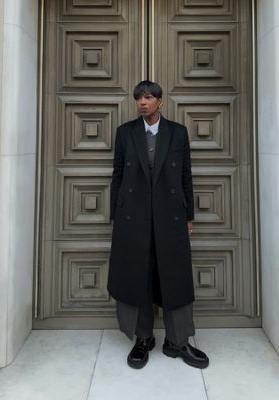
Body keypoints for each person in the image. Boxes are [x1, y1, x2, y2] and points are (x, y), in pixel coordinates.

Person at [108, 80, 209, 369]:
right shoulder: (125, 133)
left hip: (171, 217)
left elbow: (187, 176)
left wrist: (189, 216)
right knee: (138, 276)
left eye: (148, 97)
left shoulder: (178, 133)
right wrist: (116, 216)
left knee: (175, 277)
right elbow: (117, 176)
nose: (142, 102)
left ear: (160, 102)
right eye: (139, 97)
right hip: (133, 219)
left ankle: (178, 342)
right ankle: (143, 339)